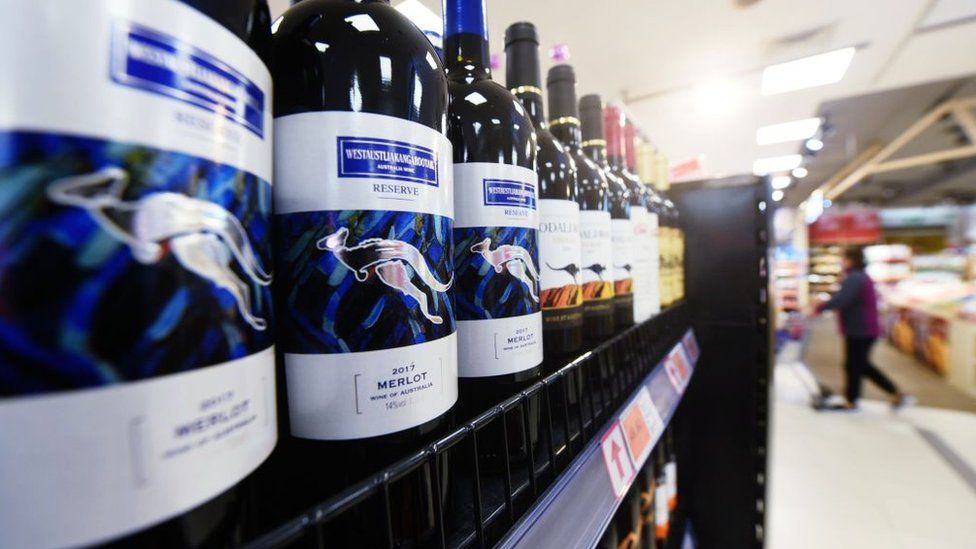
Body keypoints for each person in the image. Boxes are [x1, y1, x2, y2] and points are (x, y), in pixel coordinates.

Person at [813, 247, 914, 411]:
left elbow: (842, 300)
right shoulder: (859, 277)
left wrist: (820, 307)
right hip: (863, 328)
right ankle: (891, 394)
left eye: (843, 258)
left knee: (855, 365)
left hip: (860, 329)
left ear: (850, 260)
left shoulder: (855, 278)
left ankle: (853, 401)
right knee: (859, 365)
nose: (841, 262)